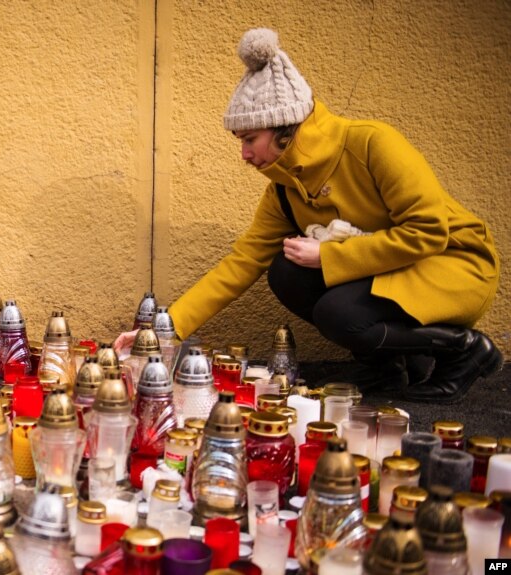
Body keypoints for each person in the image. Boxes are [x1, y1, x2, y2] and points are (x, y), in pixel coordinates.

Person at [164, 28, 501, 402]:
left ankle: (464, 350)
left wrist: (328, 256)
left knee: (339, 313)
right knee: (286, 272)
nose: (243, 154)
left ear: (284, 130)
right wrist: (167, 329)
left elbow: (429, 232)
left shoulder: (372, 143)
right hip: (393, 271)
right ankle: (386, 367)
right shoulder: (283, 187)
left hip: (453, 264)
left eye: (248, 139)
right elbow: (243, 261)